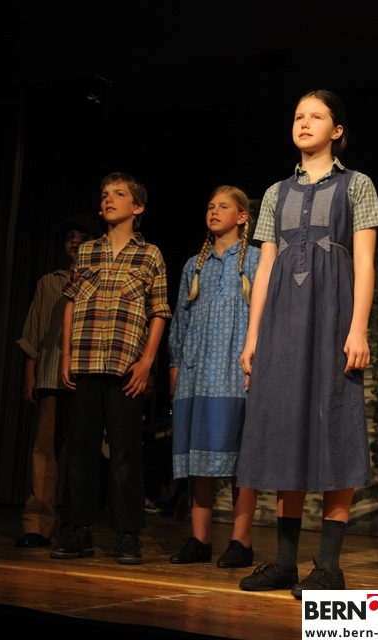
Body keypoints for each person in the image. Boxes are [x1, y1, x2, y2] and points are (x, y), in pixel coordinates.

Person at [236, 89, 378, 597]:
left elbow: (364, 261)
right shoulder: (276, 192)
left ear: (336, 130)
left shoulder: (356, 184)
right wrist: (253, 337)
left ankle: (328, 566)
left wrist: (358, 328)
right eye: (298, 115)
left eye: (316, 116)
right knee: (285, 429)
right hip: (282, 323)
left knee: (336, 425)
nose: (304, 123)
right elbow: (265, 267)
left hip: (333, 318)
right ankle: (284, 563)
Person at [49, 171, 172, 564]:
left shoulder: (149, 254)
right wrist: (66, 355)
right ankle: (78, 530)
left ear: (137, 207)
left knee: (125, 452)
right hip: (85, 362)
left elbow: (159, 311)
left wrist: (147, 361)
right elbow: (70, 302)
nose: (108, 199)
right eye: (104, 194)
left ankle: (127, 534)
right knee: (80, 448)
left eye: (118, 194)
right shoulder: (87, 252)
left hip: (125, 366)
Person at [168, 185, 260, 567]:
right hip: (197, 370)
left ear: (242, 216)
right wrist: (176, 365)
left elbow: (266, 317)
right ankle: (199, 539)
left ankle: (241, 541)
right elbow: (181, 318)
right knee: (198, 456)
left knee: (242, 456)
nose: (214, 211)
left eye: (224, 206)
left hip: (237, 370)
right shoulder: (195, 264)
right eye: (210, 206)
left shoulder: (256, 260)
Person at [15, 214, 102, 548]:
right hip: (51, 373)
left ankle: (75, 525)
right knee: (45, 449)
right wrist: (30, 370)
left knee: (80, 451)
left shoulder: (101, 277)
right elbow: (35, 329)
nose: (75, 242)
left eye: (82, 237)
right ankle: (38, 524)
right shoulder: (49, 282)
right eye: (70, 237)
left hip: (86, 373)